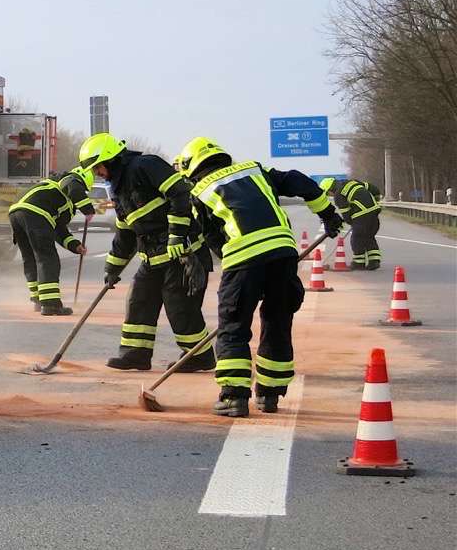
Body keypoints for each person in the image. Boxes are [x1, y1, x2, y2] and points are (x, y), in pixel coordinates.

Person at [176, 138, 343, 417]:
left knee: (233, 327)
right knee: (277, 321)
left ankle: (234, 397)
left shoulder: (200, 191)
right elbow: (300, 182)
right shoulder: (255, 170)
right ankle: (269, 396)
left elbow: (211, 237)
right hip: (283, 253)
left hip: (242, 258)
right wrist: (327, 214)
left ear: (191, 168)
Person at [77, 133, 214, 373]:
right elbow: (125, 234)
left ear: (110, 159)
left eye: (97, 167)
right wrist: (112, 268)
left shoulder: (146, 165)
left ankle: (200, 355)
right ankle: (135, 354)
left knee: (179, 307)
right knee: (139, 300)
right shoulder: (118, 191)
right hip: (152, 259)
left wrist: (176, 235)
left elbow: (180, 194)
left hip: (183, 254)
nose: (96, 173)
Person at [8, 169, 92, 316]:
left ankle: (38, 300)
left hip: (16, 214)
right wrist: (88, 209)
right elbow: (73, 186)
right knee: (47, 258)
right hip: (36, 213)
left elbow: (58, 230)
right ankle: (51, 305)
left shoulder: (52, 191)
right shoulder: (68, 180)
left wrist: (75, 245)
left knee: (31, 258)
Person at [322, 177, 382, 270]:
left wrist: (352, 223)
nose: (329, 195)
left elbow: (346, 214)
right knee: (369, 237)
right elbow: (374, 189)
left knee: (356, 238)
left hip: (361, 215)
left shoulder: (338, 195)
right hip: (374, 212)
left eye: (327, 193)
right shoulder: (353, 182)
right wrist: (374, 200)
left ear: (330, 189)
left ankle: (359, 263)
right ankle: (374, 261)